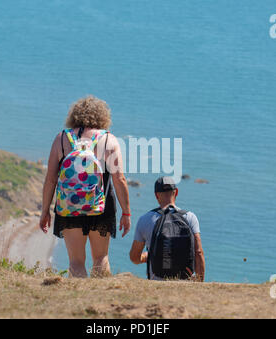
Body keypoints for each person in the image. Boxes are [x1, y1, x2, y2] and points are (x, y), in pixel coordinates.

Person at [40, 95, 131, 278]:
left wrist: (45, 212)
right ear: (103, 117)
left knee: (75, 262)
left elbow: (50, 179)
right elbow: (119, 179)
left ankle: (78, 300)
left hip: (69, 206)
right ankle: (100, 299)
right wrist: (126, 212)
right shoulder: (109, 140)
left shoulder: (61, 139)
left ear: (73, 116)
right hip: (101, 206)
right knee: (100, 258)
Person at [130, 177, 205, 281]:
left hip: (157, 282)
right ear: (176, 192)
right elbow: (199, 252)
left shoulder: (145, 220)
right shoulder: (190, 217)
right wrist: (200, 282)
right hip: (185, 283)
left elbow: (134, 257)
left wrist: (148, 256)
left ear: (156, 195)